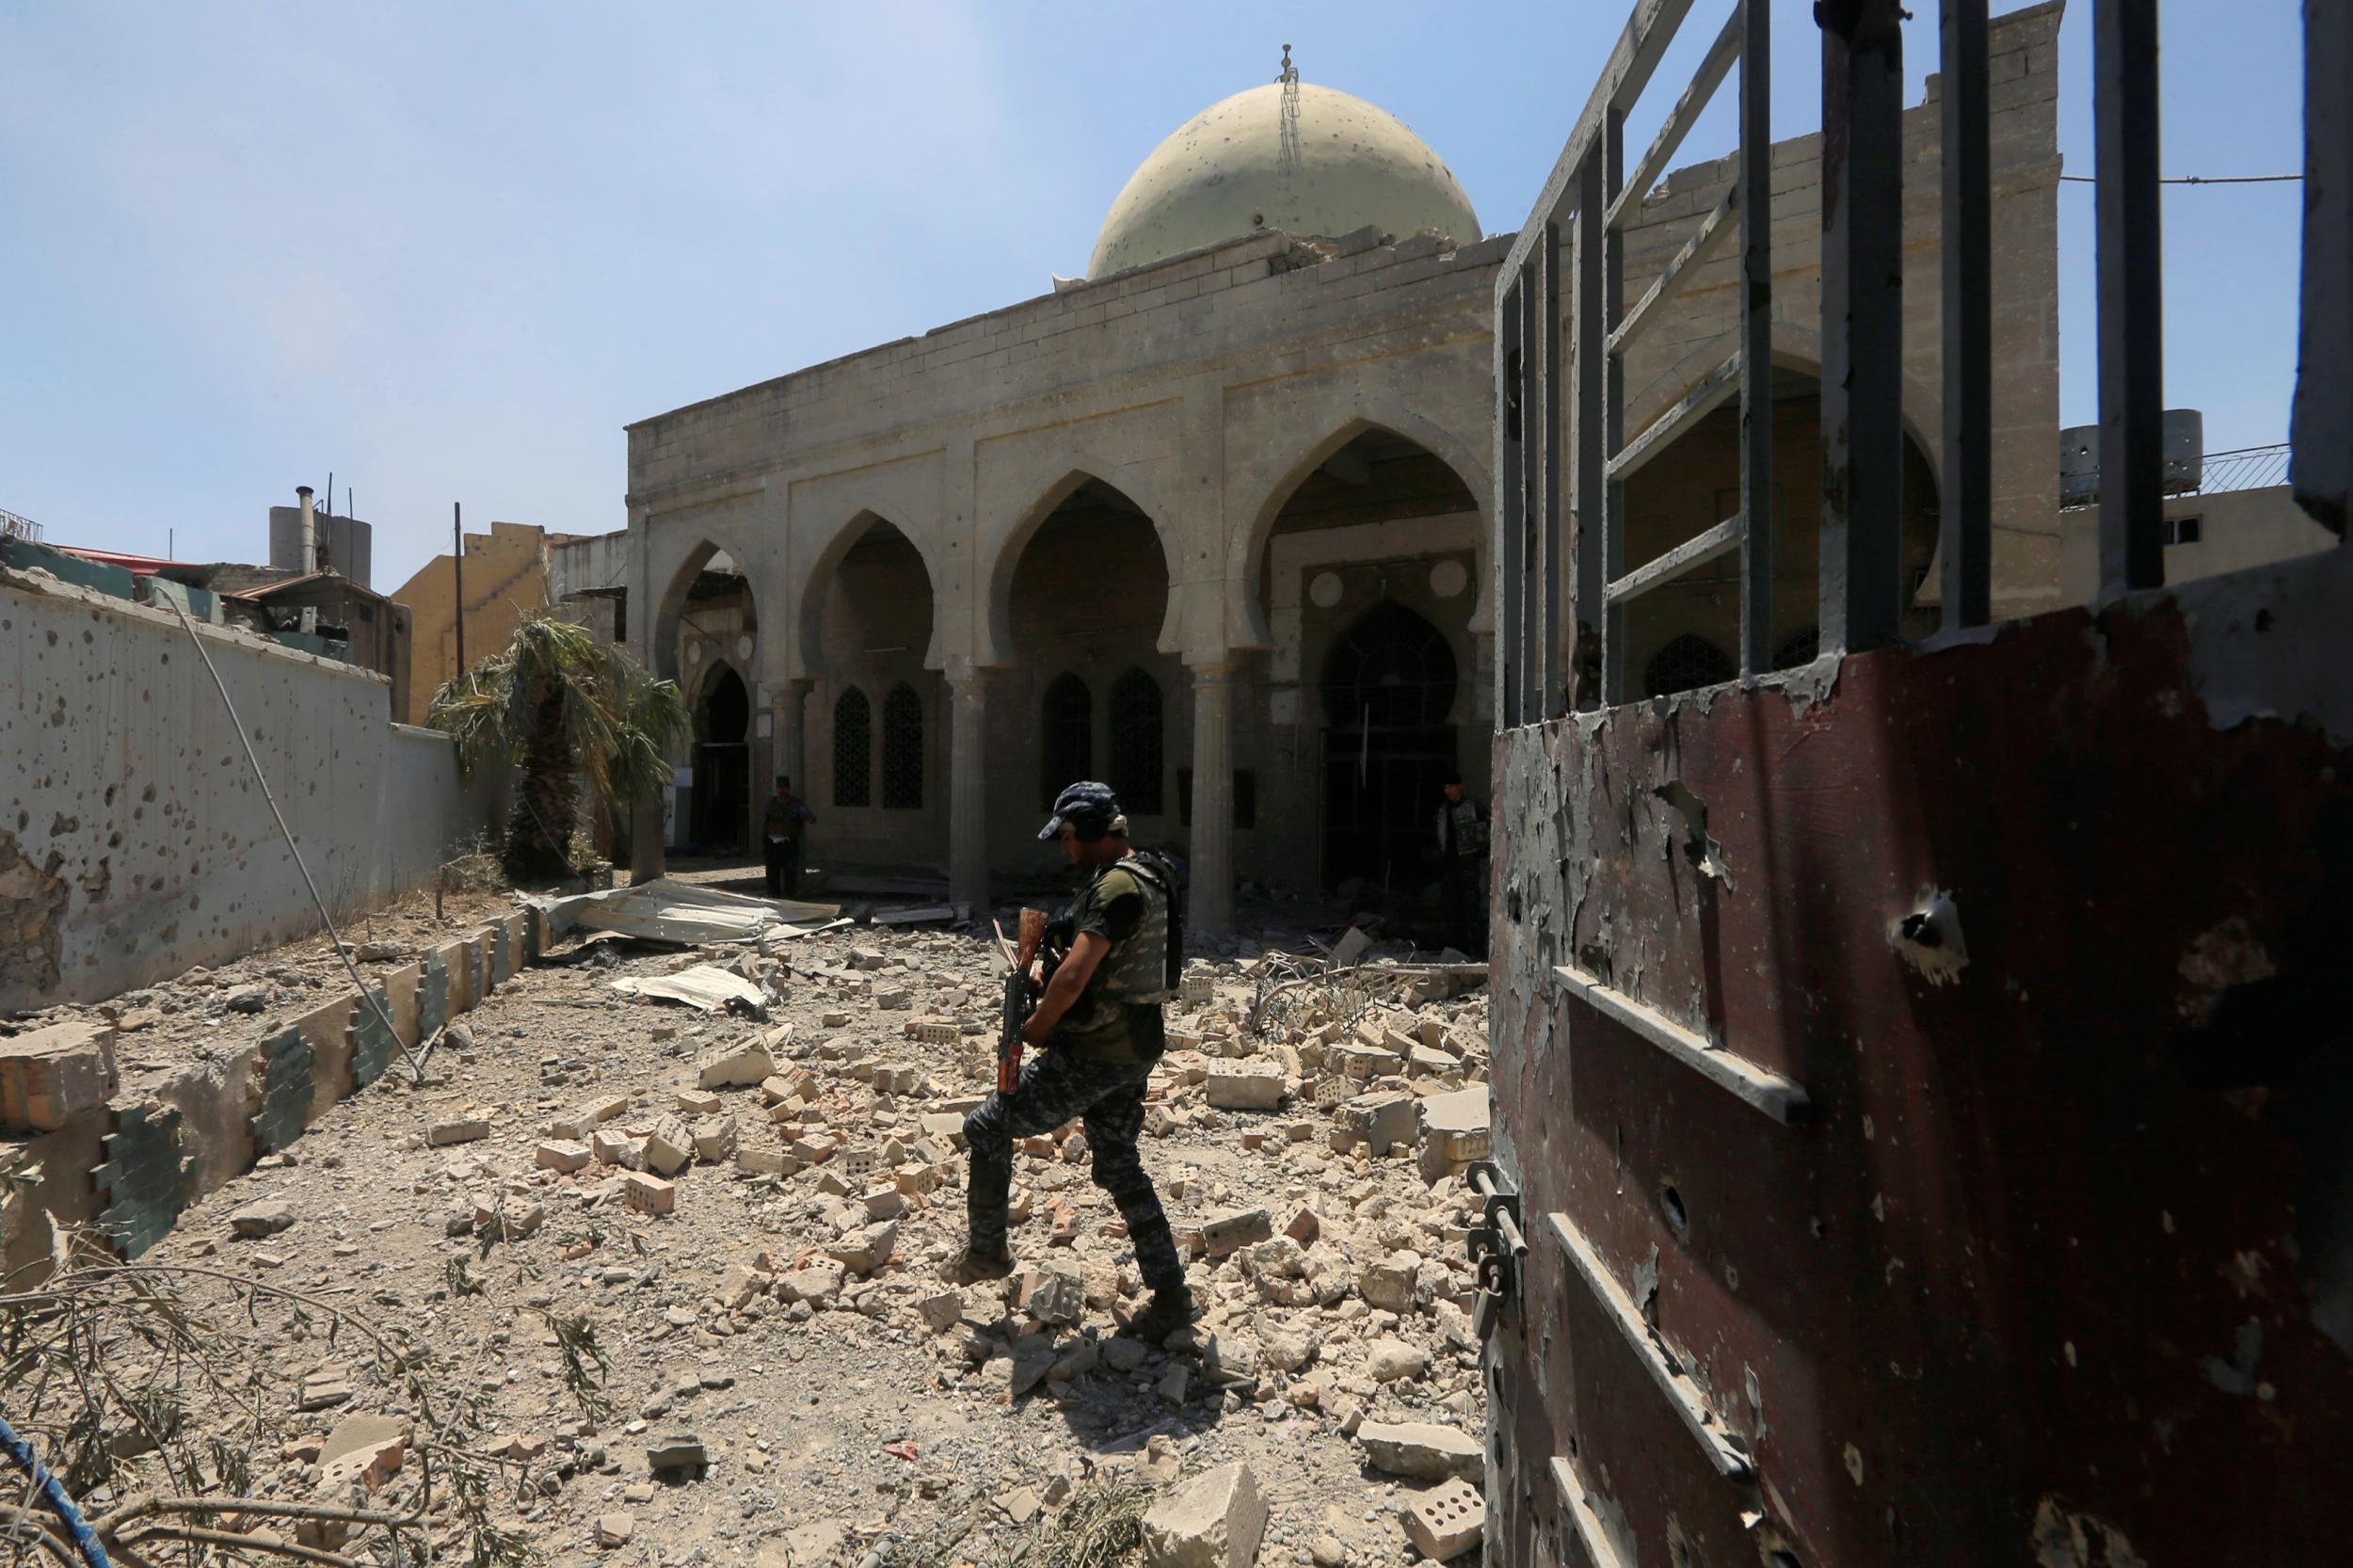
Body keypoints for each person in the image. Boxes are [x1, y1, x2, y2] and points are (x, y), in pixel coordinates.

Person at [949, 780, 1196, 1341]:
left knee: (986, 1127)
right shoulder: (1149, 872)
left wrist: (1037, 1026)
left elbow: (1078, 973)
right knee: (1118, 1164)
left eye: (1066, 838)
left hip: (1096, 1049)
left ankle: (987, 1253)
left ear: (1089, 832)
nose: (1064, 849)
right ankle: (1172, 1298)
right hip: (1133, 1045)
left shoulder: (1115, 889)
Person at [1435, 772, 1489, 957]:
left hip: (1468, 861)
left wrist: (1481, 847)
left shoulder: (1472, 807)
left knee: (1472, 906)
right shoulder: (1443, 810)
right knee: (1453, 907)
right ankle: (1459, 949)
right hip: (1450, 864)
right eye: (1445, 787)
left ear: (1460, 787)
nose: (1448, 790)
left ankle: (1477, 949)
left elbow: (1487, 824)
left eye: (1451, 786)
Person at [761, 776, 815, 898]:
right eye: (780, 788)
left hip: (788, 844)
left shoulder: (796, 805)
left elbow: (811, 818)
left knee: (790, 874)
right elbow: (766, 824)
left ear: (789, 789)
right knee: (772, 874)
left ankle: (789, 898)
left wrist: (805, 817)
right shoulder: (771, 803)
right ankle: (774, 897)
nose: (782, 791)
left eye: (784, 788)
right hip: (772, 844)